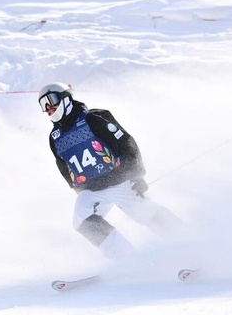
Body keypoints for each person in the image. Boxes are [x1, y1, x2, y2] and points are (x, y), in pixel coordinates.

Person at [38, 82, 181, 260]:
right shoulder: (55, 137)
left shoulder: (93, 118)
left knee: (143, 212)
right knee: (81, 219)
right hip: (92, 188)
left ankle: (185, 239)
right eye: (43, 106)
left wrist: (137, 175)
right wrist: (77, 188)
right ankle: (125, 258)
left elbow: (126, 142)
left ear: (66, 98)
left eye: (51, 101)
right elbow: (62, 165)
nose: (48, 108)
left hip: (119, 180)